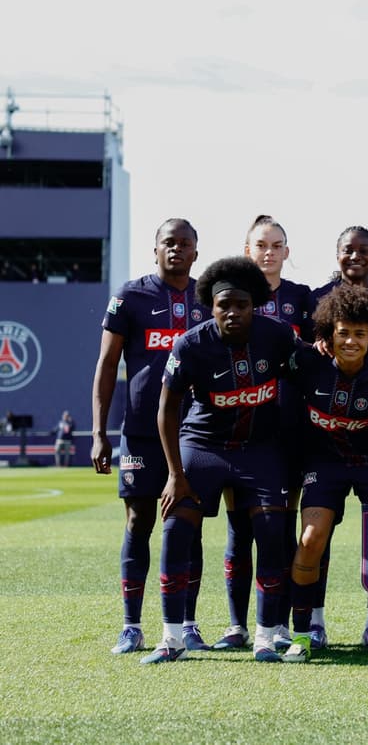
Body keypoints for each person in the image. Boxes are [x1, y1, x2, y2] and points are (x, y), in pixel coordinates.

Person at [143, 256, 299, 663]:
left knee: (271, 533)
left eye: (241, 305)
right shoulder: (191, 344)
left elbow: (311, 370)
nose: (232, 313)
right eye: (223, 305)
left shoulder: (277, 336)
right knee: (176, 526)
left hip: (259, 448)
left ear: (255, 306)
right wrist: (175, 475)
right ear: (210, 307)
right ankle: (172, 638)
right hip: (204, 445)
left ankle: (265, 638)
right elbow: (166, 410)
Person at [91, 218, 211, 655]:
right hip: (140, 431)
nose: (176, 250)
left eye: (185, 244)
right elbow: (107, 366)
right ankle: (131, 625)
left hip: (194, 434)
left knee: (188, 527)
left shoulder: (205, 300)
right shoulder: (129, 297)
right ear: (154, 249)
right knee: (139, 521)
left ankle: (190, 624)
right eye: (168, 243)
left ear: (196, 253)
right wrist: (100, 433)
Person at [282, 284, 368, 663]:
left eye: (360, 334)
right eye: (343, 333)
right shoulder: (308, 361)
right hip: (325, 461)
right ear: (329, 334)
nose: (351, 341)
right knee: (310, 538)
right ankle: (303, 635)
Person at [211, 215, 313, 653]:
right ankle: (237, 625)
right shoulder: (232, 296)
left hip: (287, 427)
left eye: (277, 245)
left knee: (281, 527)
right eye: (260, 245)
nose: (268, 252)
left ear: (287, 252)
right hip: (238, 427)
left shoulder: (302, 299)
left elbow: (314, 356)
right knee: (239, 529)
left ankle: (280, 623)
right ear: (247, 250)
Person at [306, 225, 368, 648]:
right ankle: (311, 621)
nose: (355, 257)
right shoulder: (314, 299)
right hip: (324, 446)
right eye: (348, 250)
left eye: (363, 250)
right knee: (315, 536)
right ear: (337, 253)